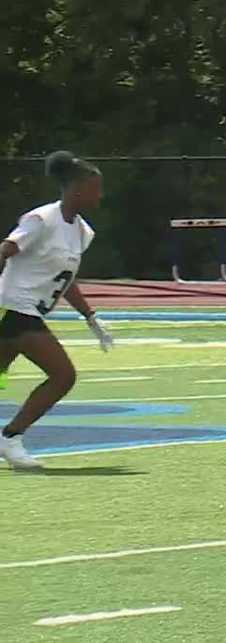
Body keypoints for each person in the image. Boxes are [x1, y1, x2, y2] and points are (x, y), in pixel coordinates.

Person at [0, 151, 114, 469]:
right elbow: (6, 250)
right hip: (13, 309)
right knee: (63, 375)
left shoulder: (82, 232)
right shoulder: (41, 219)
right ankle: (10, 437)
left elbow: (66, 280)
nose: (100, 196)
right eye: (95, 189)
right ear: (76, 188)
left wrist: (90, 317)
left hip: (28, 313)